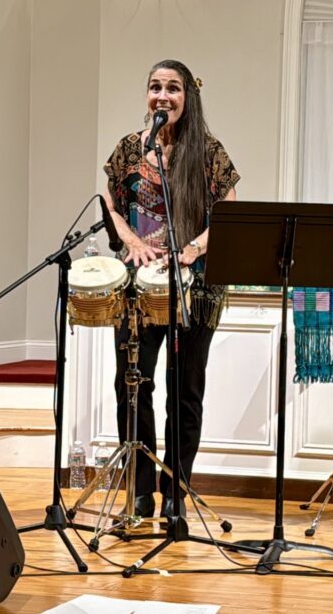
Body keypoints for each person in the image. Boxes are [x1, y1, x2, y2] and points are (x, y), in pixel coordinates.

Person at [102, 60, 238, 519]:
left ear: (187, 97)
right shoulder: (128, 148)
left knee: (185, 393)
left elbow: (228, 215)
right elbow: (110, 206)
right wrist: (132, 242)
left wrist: (195, 248)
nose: (163, 95)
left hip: (194, 289)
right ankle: (140, 490)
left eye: (173, 88)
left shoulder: (209, 152)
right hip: (137, 288)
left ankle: (175, 492)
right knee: (132, 386)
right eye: (155, 86)